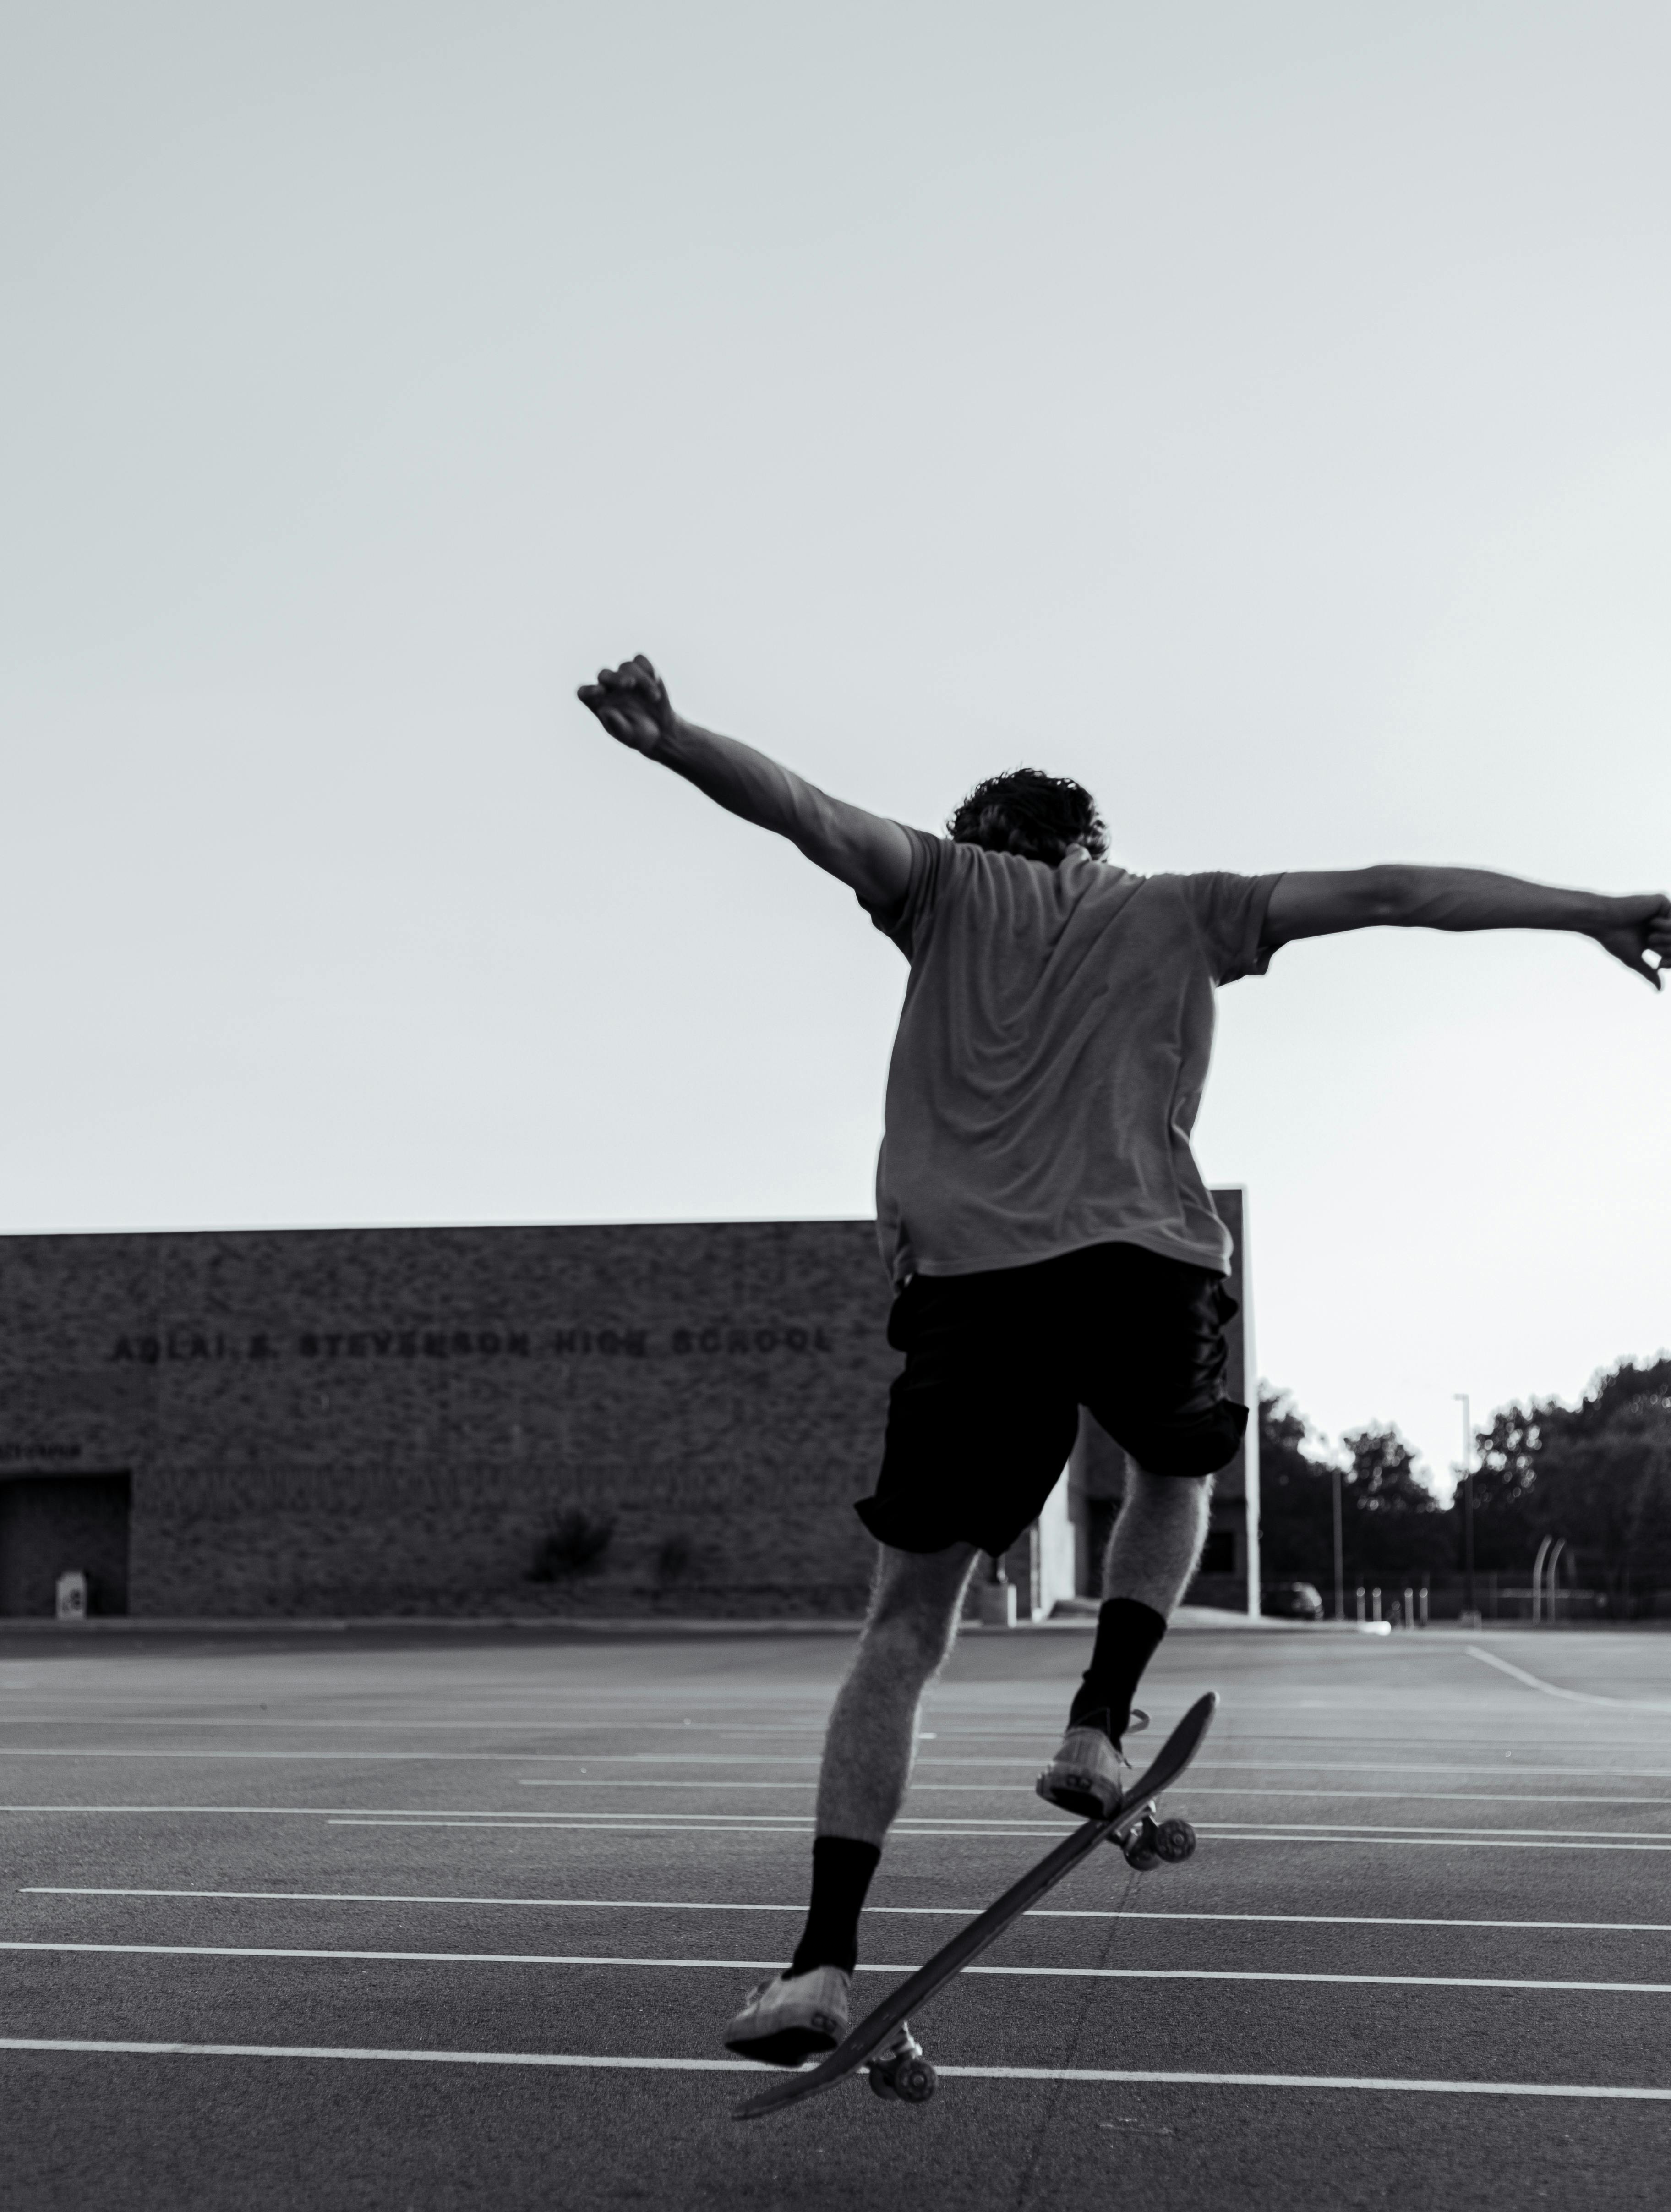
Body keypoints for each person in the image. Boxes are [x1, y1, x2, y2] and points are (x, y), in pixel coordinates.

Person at [578, 652, 1670, 2067]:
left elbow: (804, 810)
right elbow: (1397, 893)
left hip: (969, 1291)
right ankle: (1098, 1725)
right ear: (1090, 846)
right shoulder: (1175, 909)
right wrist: (1590, 913)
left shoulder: (938, 886)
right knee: (1176, 1469)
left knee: (901, 1634)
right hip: (1143, 1261)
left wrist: (668, 739)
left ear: (983, 846)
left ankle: (818, 1966)